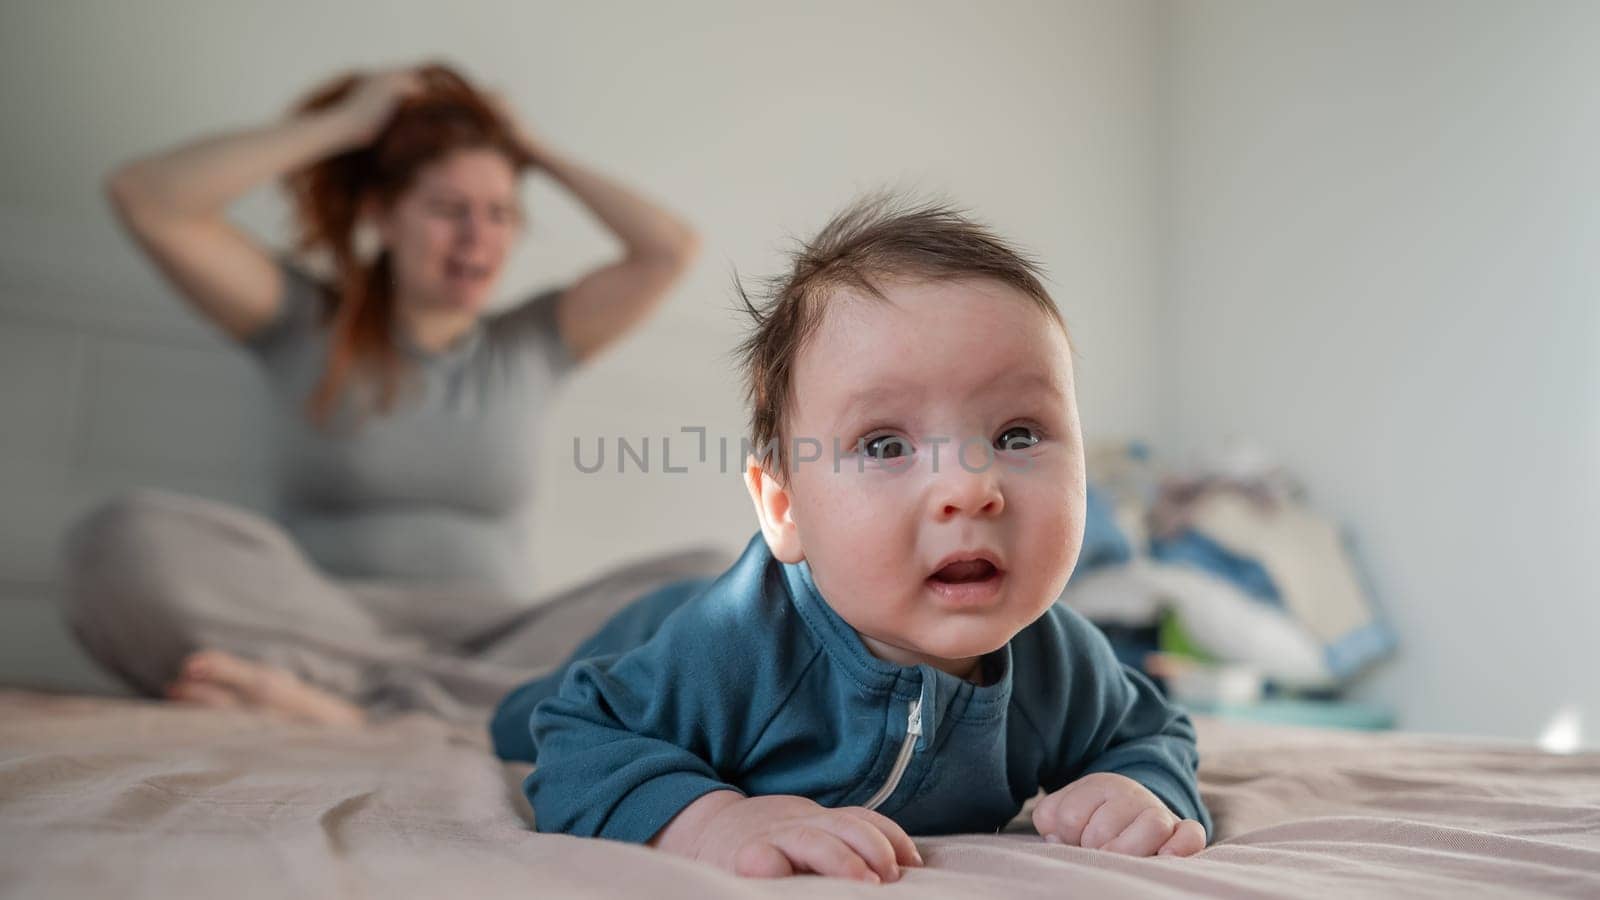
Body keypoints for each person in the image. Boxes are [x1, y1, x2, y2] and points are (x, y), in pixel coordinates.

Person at [490, 196, 1211, 880]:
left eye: (1017, 433)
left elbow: (1152, 733)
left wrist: (1135, 787)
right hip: (661, 623)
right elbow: (576, 736)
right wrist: (715, 823)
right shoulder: (731, 648)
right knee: (516, 716)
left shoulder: (1060, 666)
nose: (969, 487)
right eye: (886, 445)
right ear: (785, 507)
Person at [60, 63, 725, 726]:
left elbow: (669, 249)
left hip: (504, 637)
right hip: (324, 626)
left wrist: (532, 149)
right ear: (381, 215)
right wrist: (343, 126)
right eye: (448, 209)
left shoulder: (534, 342)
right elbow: (146, 197)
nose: (478, 236)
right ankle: (489, 714)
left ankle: (352, 710)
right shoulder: (300, 321)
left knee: (714, 584)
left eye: (499, 212)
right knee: (117, 540)